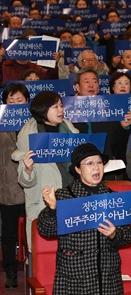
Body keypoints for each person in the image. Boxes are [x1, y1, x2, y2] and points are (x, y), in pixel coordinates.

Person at [37, 143, 131, 294]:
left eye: (99, 162)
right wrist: (52, 209)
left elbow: (127, 236)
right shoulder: (63, 197)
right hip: (74, 280)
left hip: (107, 281)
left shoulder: (112, 197)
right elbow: (46, 230)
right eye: (89, 163)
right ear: (77, 169)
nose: (96, 167)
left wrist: (114, 234)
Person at [12, 91, 79, 249]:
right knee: (46, 253)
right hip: (45, 202)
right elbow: (25, 182)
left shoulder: (68, 129)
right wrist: (28, 170)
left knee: (73, 249)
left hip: (71, 196)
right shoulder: (29, 135)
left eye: (61, 105)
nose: (61, 110)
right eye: (55, 107)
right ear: (43, 110)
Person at [0, 84, 29, 289]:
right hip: (7, 186)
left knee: (33, 230)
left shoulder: (36, 122)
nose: (16, 105)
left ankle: (34, 265)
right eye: (11, 101)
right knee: (9, 232)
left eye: (20, 101)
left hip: (33, 186)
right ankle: (10, 269)